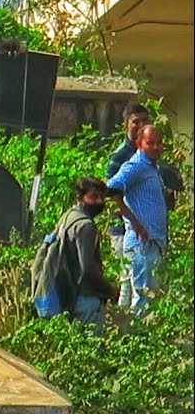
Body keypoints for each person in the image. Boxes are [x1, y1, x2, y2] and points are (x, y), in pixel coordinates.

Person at [106, 124, 169, 317]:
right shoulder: (136, 165)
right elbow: (110, 189)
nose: (156, 147)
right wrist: (133, 220)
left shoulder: (151, 167)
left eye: (159, 143)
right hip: (142, 243)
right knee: (143, 299)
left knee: (132, 296)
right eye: (150, 143)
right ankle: (139, 339)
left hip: (151, 242)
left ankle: (125, 338)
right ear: (139, 143)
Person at [105, 103, 150, 307]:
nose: (140, 126)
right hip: (123, 230)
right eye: (135, 122)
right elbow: (113, 196)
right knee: (129, 283)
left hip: (143, 230)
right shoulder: (119, 157)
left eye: (145, 121)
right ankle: (127, 332)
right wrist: (133, 221)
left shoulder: (149, 154)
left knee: (141, 283)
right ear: (126, 125)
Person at [58, 177, 118, 328]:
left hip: (69, 296)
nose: (99, 202)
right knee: (91, 345)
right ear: (81, 198)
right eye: (93, 197)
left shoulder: (69, 217)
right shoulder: (86, 226)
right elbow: (87, 270)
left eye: (102, 197)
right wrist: (110, 290)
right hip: (86, 298)